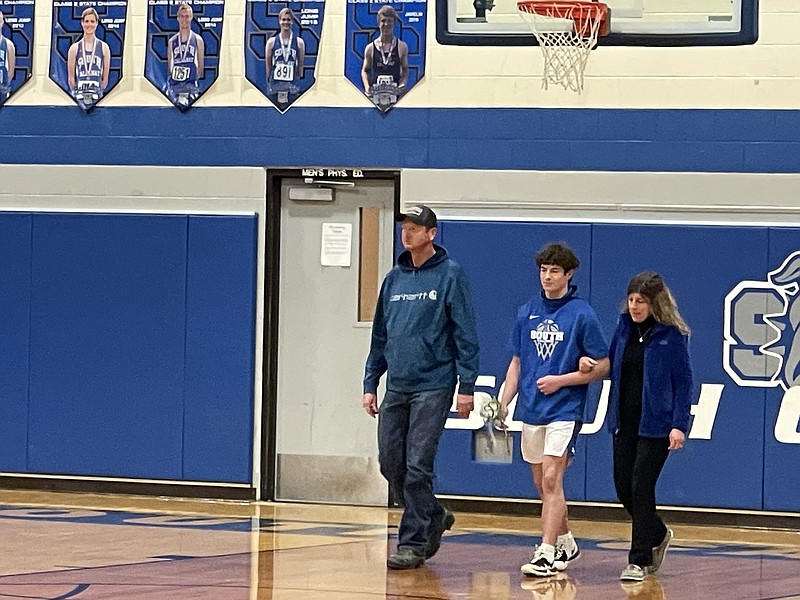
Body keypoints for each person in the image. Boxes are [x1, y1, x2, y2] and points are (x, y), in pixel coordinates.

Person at [362, 204, 479, 570]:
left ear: (432, 233)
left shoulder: (450, 275)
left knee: (417, 466)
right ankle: (434, 514)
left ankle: (411, 542)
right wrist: (370, 382)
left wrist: (467, 385)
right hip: (397, 385)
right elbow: (380, 335)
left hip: (434, 384)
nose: (407, 232)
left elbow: (465, 333)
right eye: (405, 227)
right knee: (389, 463)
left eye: (415, 227)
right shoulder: (393, 279)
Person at [499, 242, 609, 578]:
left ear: (568, 274)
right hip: (531, 408)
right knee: (540, 482)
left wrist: (564, 379)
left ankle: (546, 551)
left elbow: (603, 365)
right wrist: (503, 400)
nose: (547, 277)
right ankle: (566, 541)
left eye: (554, 271)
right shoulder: (526, 311)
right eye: (543, 271)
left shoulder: (582, 314)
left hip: (564, 408)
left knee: (551, 477)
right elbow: (517, 361)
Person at [582, 272, 693, 582]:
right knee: (623, 487)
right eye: (631, 300)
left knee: (642, 487)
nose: (634, 306)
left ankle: (639, 560)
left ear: (654, 303)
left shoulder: (671, 337)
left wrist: (679, 425)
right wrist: (592, 367)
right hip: (624, 422)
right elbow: (611, 365)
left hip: (656, 426)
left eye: (641, 301)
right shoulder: (623, 329)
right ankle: (656, 533)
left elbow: (684, 383)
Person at [361, 5, 408, 111]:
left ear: (394, 23)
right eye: (383, 21)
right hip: (375, 99)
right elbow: (365, 70)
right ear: (378, 23)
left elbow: (405, 70)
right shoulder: (370, 48)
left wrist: (402, 85)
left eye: (389, 21)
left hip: (395, 99)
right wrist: (367, 88)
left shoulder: (401, 47)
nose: (386, 24)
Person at [66, 7, 110, 108]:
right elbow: (71, 79)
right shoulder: (74, 48)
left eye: (92, 21)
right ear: (82, 23)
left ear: (96, 23)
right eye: (86, 21)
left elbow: (105, 79)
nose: (89, 24)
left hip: (98, 98)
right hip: (78, 98)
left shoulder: (104, 47)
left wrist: (99, 92)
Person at [166, 3, 204, 107]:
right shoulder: (172, 41)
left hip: (192, 88)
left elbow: (201, 69)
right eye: (182, 16)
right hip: (175, 89)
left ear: (191, 17)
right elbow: (170, 69)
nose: (184, 19)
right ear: (177, 18)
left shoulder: (197, 40)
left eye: (187, 16)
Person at [265, 8, 305, 107]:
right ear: (279, 21)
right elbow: (268, 67)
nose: (285, 22)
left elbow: (300, 65)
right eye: (283, 19)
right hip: (275, 85)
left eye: (288, 19)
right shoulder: (271, 42)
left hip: (292, 85)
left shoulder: (299, 42)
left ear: (292, 22)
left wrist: (298, 78)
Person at [0, 11, 16, 102]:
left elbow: (11, 72)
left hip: (2, 92)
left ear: (2, 23)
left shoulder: (8, 45)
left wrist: (4, 87)